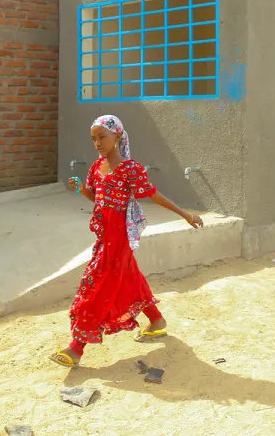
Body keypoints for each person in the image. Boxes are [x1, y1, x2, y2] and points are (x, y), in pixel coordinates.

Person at [50, 115, 204, 368]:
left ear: (118, 136)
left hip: (119, 238)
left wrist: (187, 215)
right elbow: (97, 199)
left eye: (102, 137)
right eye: (94, 139)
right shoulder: (96, 168)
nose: (98, 143)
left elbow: (154, 195)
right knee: (129, 277)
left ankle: (76, 348)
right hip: (104, 236)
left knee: (97, 286)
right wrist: (81, 189)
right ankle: (156, 321)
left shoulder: (131, 169)